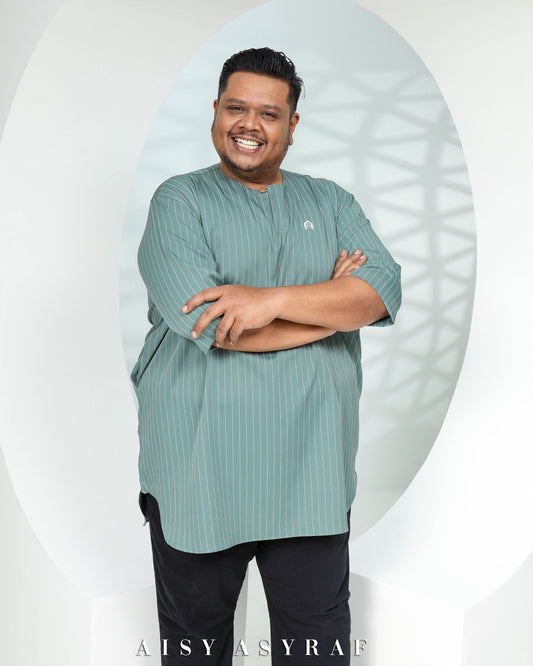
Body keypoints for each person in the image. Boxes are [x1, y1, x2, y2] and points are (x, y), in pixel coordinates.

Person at [131, 47, 401, 665]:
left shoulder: (331, 203)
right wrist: (330, 308)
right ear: (215, 112)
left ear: (292, 124)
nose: (249, 124)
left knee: (316, 651)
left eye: (269, 113)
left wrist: (268, 300)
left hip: (311, 475)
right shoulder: (179, 201)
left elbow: (380, 291)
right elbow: (212, 324)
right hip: (199, 473)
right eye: (236, 108)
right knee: (196, 648)